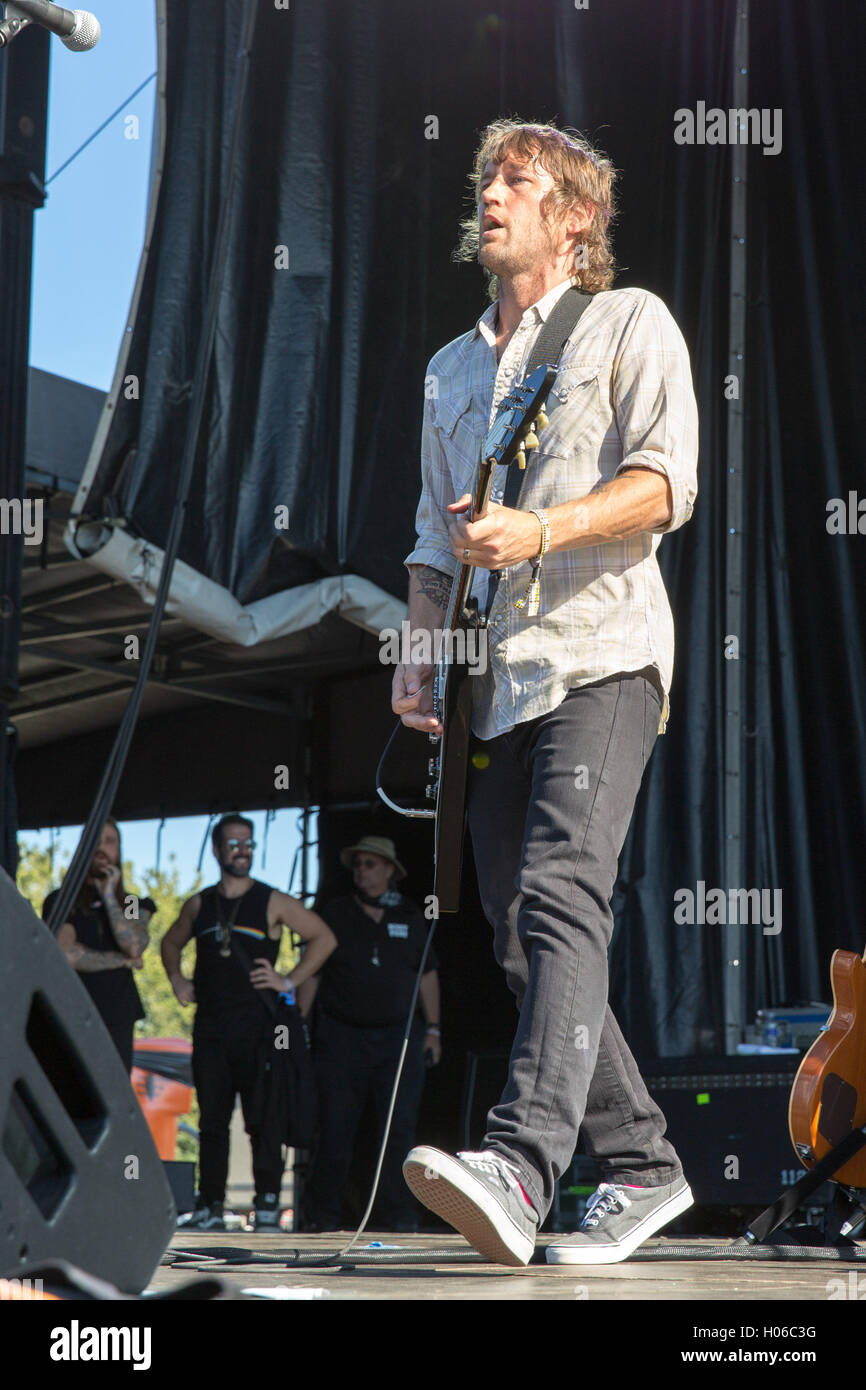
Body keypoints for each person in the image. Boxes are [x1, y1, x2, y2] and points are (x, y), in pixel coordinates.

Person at [392, 119, 699, 1266]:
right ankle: (642, 1163)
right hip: (497, 682)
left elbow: (664, 482)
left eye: (514, 181)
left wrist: (542, 528)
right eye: (484, 180)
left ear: (574, 216)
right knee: (521, 934)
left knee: (564, 892)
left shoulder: (630, 322)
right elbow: (431, 534)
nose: (488, 196)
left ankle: (520, 1165)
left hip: (600, 651)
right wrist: (422, 649)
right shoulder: (448, 370)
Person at [160, 813, 336, 1231]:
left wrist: (288, 980)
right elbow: (169, 942)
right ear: (218, 850)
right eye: (235, 843)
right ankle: (210, 1206)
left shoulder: (272, 900)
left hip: (260, 1028)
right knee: (212, 1119)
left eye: (250, 843)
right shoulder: (200, 903)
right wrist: (177, 980)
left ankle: (269, 1206)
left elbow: (324, 938)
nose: (243, 851)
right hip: (211, 1028)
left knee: (264, 1117)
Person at [298, 835, 441, 1231]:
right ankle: (321, 1220)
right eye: (357, 864)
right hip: (342, 1038)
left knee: (399, 1133)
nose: (362, 870)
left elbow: (427, 974)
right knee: (336, 1130)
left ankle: (401, 1220)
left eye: (371, 864)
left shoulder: (411, 916)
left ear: (390, 871)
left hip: (399, 1039)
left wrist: (434, 1029)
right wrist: (297, 1027)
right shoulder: (334, 914)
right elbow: (312, 972)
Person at [44, 818, 153, 1073]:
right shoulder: (60, 900)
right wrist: (122, 961)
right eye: (95, 840)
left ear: (119, 850)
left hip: (118, 1016)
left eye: (110, 841)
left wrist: (108, 895)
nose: (102, 848)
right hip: (74, 1012)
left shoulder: (132, 902)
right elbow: (67, 954)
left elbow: (135, 945)